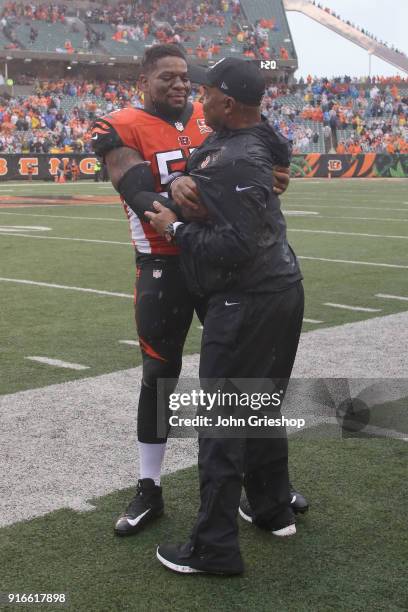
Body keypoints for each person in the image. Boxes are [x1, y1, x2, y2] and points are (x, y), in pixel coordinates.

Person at [91, 45, 307, 538]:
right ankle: (150, 486)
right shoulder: (119, 124)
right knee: (160, 374)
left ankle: (265, 487)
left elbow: (264, 151)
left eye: (185, 77)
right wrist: (179, 194)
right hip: (163, 264)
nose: (180, 85)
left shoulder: (213, 114)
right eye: (167, 77)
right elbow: (135, 187)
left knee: (244, 381)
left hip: (221, 269)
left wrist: (270, 176)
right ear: (143, 79)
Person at [145, 58, 304, 576]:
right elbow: (275, 153)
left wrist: (173, 227)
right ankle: (271, 507)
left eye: (207, 93)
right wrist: (184, 185)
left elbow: (233, 245)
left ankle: (213, 546)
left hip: (247, 297)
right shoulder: (254, 137)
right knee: (259, 407)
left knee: (221, 420)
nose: (199, 100)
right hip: (279, 289)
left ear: (229, 104)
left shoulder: (237, 158)